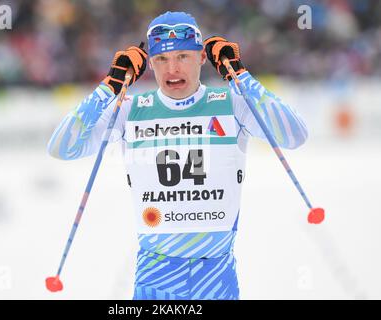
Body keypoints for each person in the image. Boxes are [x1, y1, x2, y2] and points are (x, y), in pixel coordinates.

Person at [47, 11, 308, 300]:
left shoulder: (232, 105)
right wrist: (109, 86)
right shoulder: (129, 110)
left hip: (216, 276)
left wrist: (240, 75)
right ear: (149, 64)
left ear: (201, 57)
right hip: (156, 277)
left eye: (183, 56)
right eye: (161, 59)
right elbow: (61, 147)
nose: (172, 69)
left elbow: (294, 134)